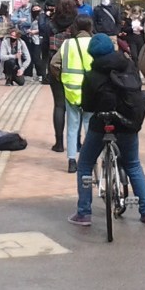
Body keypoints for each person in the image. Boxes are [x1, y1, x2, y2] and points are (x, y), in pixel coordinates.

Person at [71, 33, 145, 226]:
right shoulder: (129, 66)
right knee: (133, 164)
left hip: (102, 124)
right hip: (128, 123)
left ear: (92, 55)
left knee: (84, 163)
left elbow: (88, 105)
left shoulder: (92, 75)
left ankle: (84, 213)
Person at [50, 15, 93, 173]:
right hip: (90, 89)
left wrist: (61, 77)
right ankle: (90, 159)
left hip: (71, 89)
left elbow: (54, 63)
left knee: (73, 125)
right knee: (89, 124)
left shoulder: (68, 44)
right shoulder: (93, 43)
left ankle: (71, 160)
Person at [47, 0, 78, 152]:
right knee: (76, 105)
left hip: (55, 65)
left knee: (59, 105)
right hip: (75, 66)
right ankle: (77, 142)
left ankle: (59, 143)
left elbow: (44, 46)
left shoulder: (51, 23)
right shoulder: (76, 23)